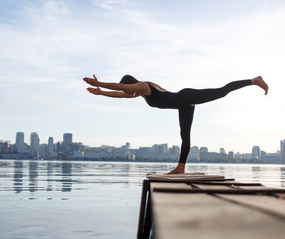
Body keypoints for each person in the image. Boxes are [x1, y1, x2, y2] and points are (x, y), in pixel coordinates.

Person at [83, 74, 268, 174]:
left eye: (129, 89)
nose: (129, 95)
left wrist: (100, 83)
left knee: (221, 91)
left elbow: (121, 88)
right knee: (185, 136)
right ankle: (181, 167)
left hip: (186, 97)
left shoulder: (143, 86)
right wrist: (100, 93)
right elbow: (121, 94)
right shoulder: (142, 91)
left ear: (131, 84)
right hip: (184, 104)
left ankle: (253, 80)